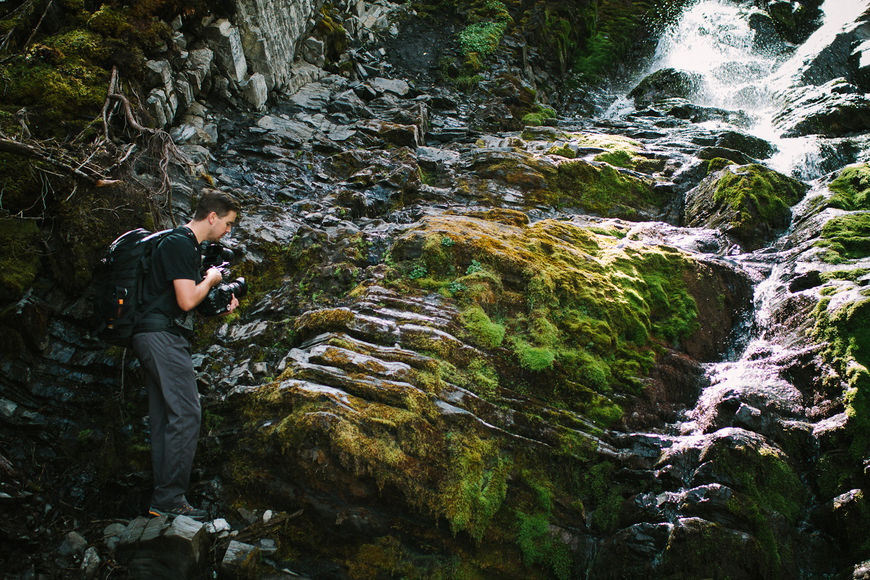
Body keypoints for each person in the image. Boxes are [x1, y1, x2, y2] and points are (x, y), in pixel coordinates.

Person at [132, 188, 241, 520]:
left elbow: (183, 301)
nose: (228, 231)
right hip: (162, 337)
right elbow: (186, 300)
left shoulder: (181, 245)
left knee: (167, 417)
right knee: (188, 413)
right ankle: (170, 499)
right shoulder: (181, 243)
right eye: (228, 223)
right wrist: (211, 278)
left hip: (155, 334)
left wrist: (221, 305)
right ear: (212, 217)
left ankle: (161, 500)